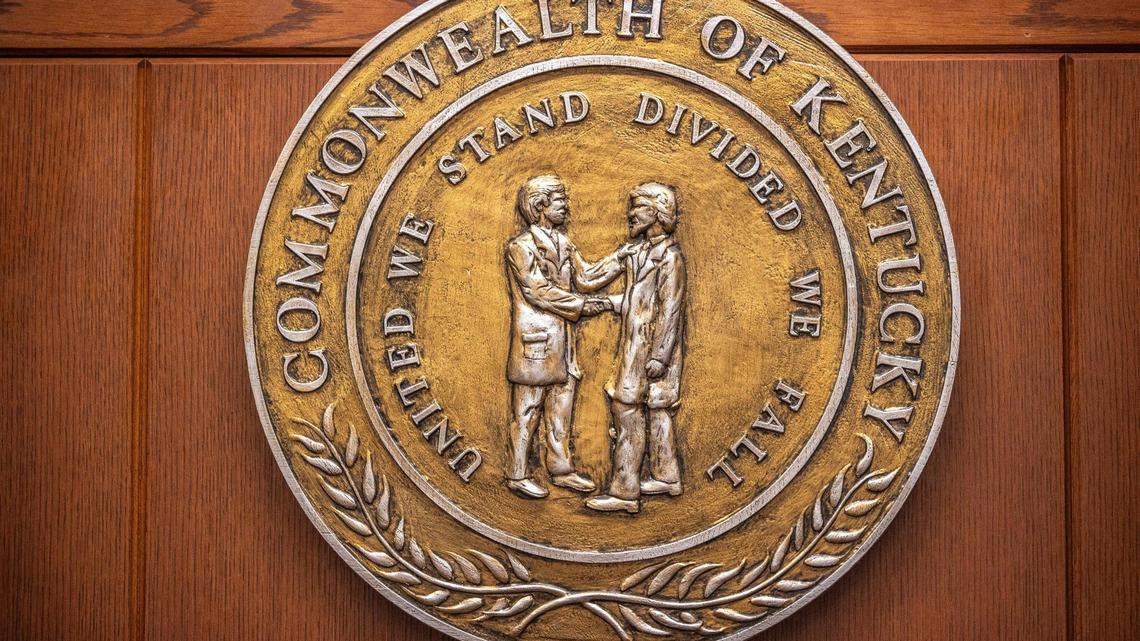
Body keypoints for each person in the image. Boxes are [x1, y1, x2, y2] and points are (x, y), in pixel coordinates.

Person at [504, 174, 631, 499]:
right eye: (561, 201)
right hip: (536, 344)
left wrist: (620, 258)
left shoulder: (564, 243)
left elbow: (586, 277)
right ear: (540, 205)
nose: (567, 206)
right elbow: (538, 291)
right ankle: (517, 474)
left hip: (565, 345)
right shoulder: (520, 247)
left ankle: (560, 469)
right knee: (528, 410)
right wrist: (594, 305)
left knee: (561, 408)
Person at [585, 183, 686, 514]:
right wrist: (608, 303)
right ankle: (667, 477)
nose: (630, 214)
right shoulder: (638, 253)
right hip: (637, 347)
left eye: (637, 207)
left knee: (627, 412)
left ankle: (625, 491)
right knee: (657, 412)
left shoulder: (670, 257)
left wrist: (660, 356)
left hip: (652, 352)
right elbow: (637, 301)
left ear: (655, 213)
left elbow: (670, 309)